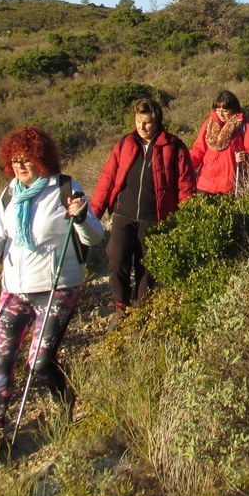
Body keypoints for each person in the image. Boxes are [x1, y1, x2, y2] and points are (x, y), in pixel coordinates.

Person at [0, 126, 104, 466]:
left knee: (39, 362)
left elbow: (94, 237)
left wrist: (81, 215)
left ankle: (65, 396)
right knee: (0, 360)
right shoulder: (10, 195)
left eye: (26, 160)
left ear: (41, 158)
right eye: (14, 161)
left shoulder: (65, 188)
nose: (20, 167)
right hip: (15, 288)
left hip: (59, 286)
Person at [91, 98, 195, 327]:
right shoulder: (125, 143)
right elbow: (107, 179)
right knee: (117, 260)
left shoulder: (174, 146)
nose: (142, 127)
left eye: (147, 122)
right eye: (138, 121)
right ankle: (120, 306)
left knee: (146, 267)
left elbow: (186, 185)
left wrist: (185, 218)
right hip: (123, 214)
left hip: (154, 217)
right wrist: (92, 215)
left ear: (157, 121)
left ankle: (142, 310)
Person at [190, 90, 249, 195]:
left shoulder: (243, 126)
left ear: (233, 109)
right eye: (217, 109)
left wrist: (246, 156)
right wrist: (185, 166)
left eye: (225, 110)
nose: (220, 113)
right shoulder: (209, 124)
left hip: (229, 187)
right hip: (204, 185)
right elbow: (198, 150)